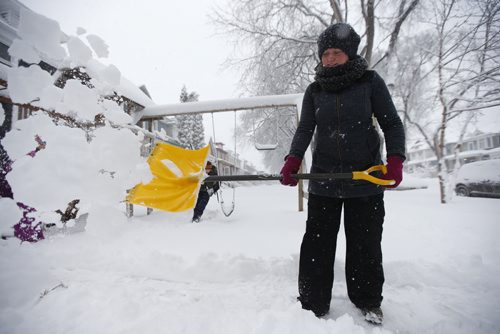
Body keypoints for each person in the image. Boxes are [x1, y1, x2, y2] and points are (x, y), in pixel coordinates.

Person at [280, 23, 405, 324]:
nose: (331, 58)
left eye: (337, 52)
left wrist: (396, 159)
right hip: (324, 180)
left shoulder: (370, 82)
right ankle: (312, 302)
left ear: (349, 54)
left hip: (364, 179)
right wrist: (293, 159)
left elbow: (391, 123)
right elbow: (305, 129)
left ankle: (368, 301)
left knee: (365, 244)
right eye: (325, 53)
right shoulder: (315, 90)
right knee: (317, 244)